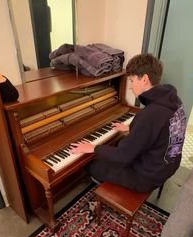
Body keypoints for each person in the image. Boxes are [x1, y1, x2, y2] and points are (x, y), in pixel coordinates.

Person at [70, 53, 186, 193]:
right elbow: (159, 131)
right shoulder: (173, 100)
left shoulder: (151, 114)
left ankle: (108, 192)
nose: (130, 86)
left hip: (148, 177)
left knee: (92, 164)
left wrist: (93, 147)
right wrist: (131, 128)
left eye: (132, 80)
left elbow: (124, 156)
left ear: (144, 79)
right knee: (119, 143)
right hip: (166, 165)